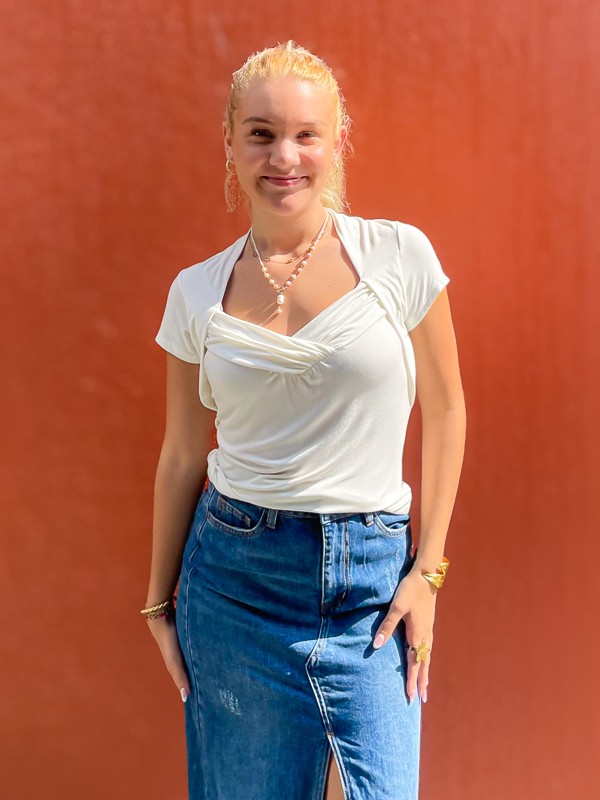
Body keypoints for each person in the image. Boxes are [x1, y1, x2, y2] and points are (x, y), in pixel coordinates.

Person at [142, 40, 466, 800]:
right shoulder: (195, 294)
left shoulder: (399, 257)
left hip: (373, 589)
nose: (283, 156)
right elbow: (182, 456)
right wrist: (159, 600)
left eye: (305, 135)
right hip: (235, 586)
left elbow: (448, 407)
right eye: (260, 133)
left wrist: (429, 572)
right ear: (230, 143)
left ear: (337, 141)